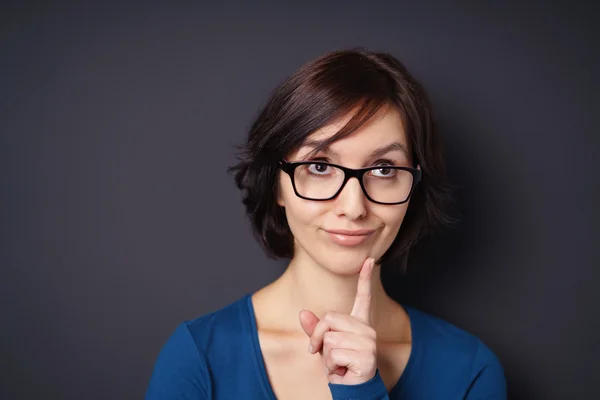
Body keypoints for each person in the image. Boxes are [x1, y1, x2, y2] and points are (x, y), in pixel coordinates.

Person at [145, 48, 507, 399]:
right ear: (277, 184)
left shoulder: (468, 372)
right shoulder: (200, 357)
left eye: (384, 169)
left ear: (413, 186)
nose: (353, 207)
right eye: (319, 166)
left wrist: (360, 393)